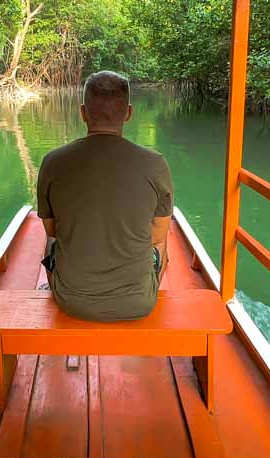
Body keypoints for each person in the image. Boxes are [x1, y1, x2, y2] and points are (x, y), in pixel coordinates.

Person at [36, 71, 174, 321]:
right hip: (139, 303)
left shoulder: (53, 162)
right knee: (164, 240)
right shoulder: (155, 164)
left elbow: (53, 230)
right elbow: (157, 236)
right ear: (129, 113)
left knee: (49, 242)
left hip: (71, 301)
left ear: (83, 112)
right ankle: (148, 286)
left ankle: (54, 285)